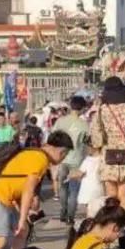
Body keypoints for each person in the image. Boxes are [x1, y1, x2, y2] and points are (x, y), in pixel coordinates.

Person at [92, 77, 125, 213]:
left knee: (111, 197)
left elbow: (96, 140)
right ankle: (123, 226)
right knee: (124, 197)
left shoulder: (101, 111)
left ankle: (113, 227)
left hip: (108, 157)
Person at [53, 96, 90, 224]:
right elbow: (88, 142)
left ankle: (63, 211)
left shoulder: (60, 121)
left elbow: (53, 138)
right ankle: (70, 216)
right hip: (77, 160)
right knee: (74, 190)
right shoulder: (84, 124)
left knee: (62, 187)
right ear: (83, 108)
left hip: (62, 158)